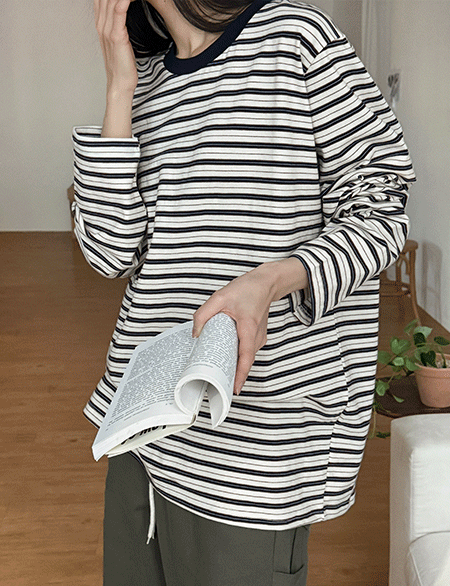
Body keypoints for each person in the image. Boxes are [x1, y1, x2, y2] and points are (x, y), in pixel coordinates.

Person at [72, 0, 415, 584]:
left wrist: (272, 279)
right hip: (144, 435)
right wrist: (118, 87)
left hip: (254, 454)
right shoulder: (143, 79)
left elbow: (383, 210)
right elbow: (109, 254)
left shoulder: (295, 38)